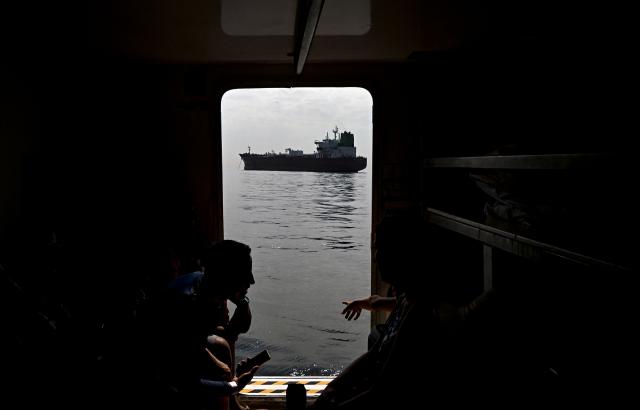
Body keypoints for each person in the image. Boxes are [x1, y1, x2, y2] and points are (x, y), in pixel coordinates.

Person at [310, 215, 498, 409]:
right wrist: (332, 388)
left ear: (401, 255)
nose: (375, 257)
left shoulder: (421, 314)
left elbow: (384, 390)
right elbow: (375, 354)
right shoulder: (406, 300)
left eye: (380, 249)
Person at [134, 239, 260, 410]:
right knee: (220, 371)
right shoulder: (186, 304)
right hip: (154, 370)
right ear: (227, 276)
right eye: (245, 274)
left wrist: (242, 301)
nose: (251, 281)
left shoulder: (208, 286)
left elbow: (237, 330)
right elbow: (183, 379)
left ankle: (231, 404)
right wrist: (233, 386)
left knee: (222, 349)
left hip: (180, 346)